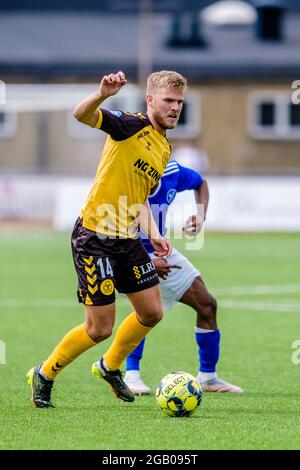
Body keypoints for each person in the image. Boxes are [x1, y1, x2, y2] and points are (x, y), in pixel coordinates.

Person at [27, 70, 187, 408]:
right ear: (150, 100)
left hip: (127, 238)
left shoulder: (163, 146)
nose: (175, 108)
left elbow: (138, 195)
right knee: (99, 328)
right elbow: (81, 115)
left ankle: (109, 366)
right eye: (168, 100)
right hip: (95, 236)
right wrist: (102, 95)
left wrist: (154, 234)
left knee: (152, 312)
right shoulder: (129, 125)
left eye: (180, 102)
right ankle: (46, 372)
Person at [124, 159, 243, 395]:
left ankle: (208, 378)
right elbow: (109, 235)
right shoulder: (124, 178)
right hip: (128, 255)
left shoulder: (171, 171)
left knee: (207, 305)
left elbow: (201, 183)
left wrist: (200, 216)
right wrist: (146, 263)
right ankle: (130, 375)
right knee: (144, 314)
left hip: (164, 252)